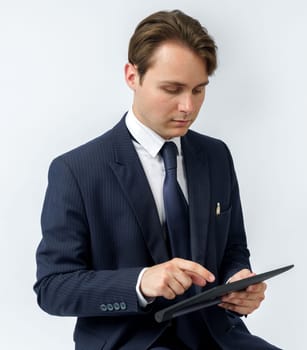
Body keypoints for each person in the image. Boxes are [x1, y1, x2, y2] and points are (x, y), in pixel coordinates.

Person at [34, 9, 282, 350]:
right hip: (131, 341)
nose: (187, 107)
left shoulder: (215, 156)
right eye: (172, 89)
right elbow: (53, 288)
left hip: (218, 336)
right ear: (131, 76)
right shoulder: (76, 170)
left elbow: (233, 250)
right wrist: (139, 282)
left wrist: (239, 282)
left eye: (198, 90)